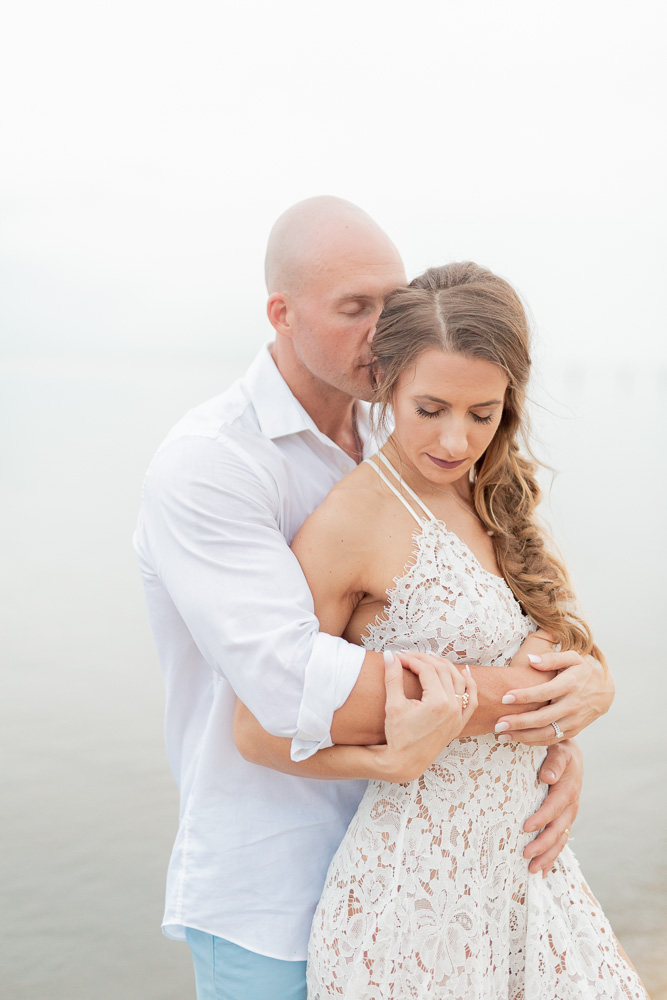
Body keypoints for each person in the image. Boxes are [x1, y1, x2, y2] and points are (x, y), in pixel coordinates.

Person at [134, 198, 614, 1000]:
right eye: (353, 308)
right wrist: (545, 702)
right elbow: (286, 683)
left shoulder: (416, 437)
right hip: (272, 880)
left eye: (390, 306)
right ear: (281, 315)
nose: (380, 331)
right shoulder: (210, 463)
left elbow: (494, 618)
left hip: (448, 865)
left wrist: (563, 721)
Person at [236, 262, 646, 998]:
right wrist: (386, 763)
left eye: (481, 414)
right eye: (430, 408)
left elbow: (560, 641)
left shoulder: (494, 493)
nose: (456, 440)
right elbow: (257, 731)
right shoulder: (346, 523)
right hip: (411, 901)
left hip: (531, 873)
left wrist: (586, 697)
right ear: (386, 380)